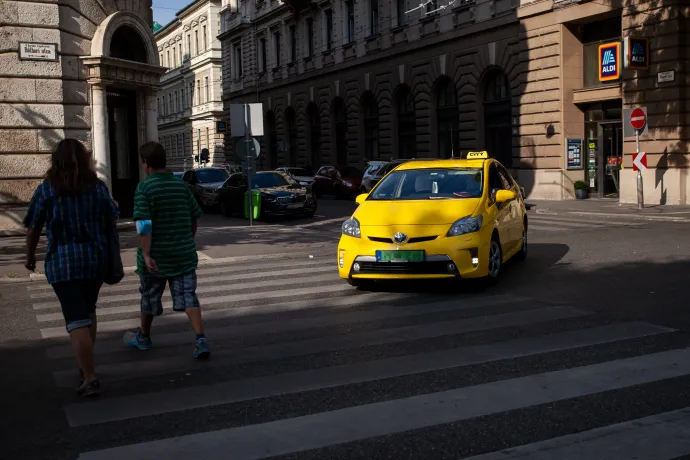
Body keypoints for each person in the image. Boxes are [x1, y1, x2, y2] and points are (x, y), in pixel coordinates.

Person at [24, 138, 119, 397]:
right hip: (95, 261)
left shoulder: (47, 190)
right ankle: (85, 366)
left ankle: (89, 377)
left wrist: (30, 256)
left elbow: (33, 227)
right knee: (88, 312)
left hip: (63, 264)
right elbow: (112, 218)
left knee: (75, 319)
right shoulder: (97, 188)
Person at [123, 142, 210, 359]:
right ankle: (200, 339)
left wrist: (146, 253)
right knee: (189, 296)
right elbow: (194, 217)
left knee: (149, 297)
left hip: (157, 258)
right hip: (183, 255)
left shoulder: (145, 188)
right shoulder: (181, 186)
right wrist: (187, 240)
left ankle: (144, 337)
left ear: (146, 163)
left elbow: (144, 225)